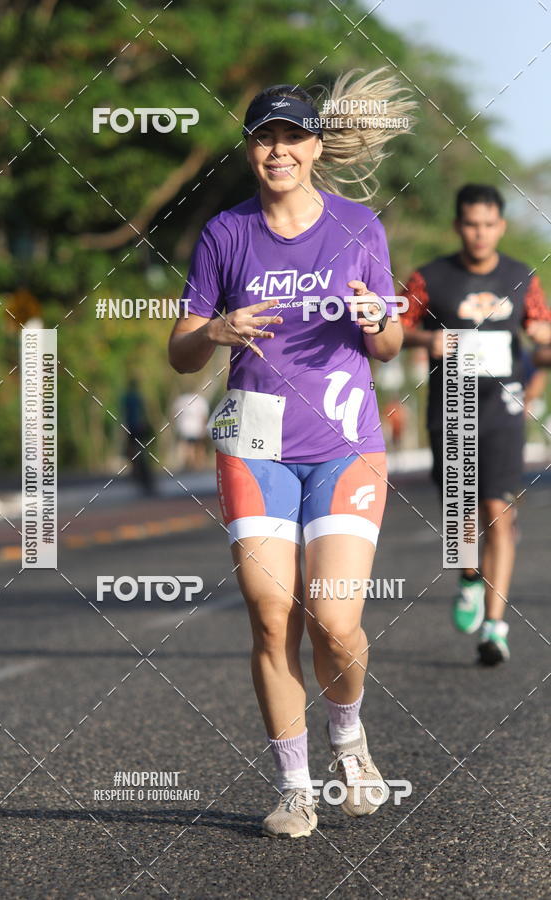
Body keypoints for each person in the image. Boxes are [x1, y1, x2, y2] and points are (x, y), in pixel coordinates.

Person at [169, 71, 413, 838]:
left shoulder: (357, 227)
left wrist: (378, 319)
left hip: (343, 443)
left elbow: (390, 342)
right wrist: (215, 330)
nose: (276, 149)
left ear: (313, 148)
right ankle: (294, 787)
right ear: (252, 151)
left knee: (334, 620)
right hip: (255, 444)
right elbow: (180, 349)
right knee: (272, 614)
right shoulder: (225, 233)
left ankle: (350, 741)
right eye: (263, 137)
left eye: (290, 137)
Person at [401, 184, 551, 666]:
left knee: (498, 510)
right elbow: (392, 331)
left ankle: (495, 625)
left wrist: (543, 362)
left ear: (501, 227)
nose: (480, 233)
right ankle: (468, 575)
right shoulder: (429, 278)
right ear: (457, 226)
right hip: (452, 405)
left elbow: (539, 331)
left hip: (503, 406)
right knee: (461, 514)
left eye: (489, 224)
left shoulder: (521, 277)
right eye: (471, 224)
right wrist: (430, 340)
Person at [121, 378, 156, 494]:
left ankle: (137, 472)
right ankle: (139, 473)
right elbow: (143, 412)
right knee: (141, 451)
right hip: (139, 426)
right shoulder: (137, 397)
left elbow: (124, 413)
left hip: (132, 427)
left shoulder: (128, 398)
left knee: (133, 451)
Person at [171, 392, 209, 470]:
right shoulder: (200, 400)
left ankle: (189, 464)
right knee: (198, 446)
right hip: (196, 427)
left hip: (184, 427)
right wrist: (204, 428)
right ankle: (198, 464)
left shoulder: (181, 399)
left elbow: (174, 414)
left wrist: (175, 426)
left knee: (187, 446)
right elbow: (204, 416)